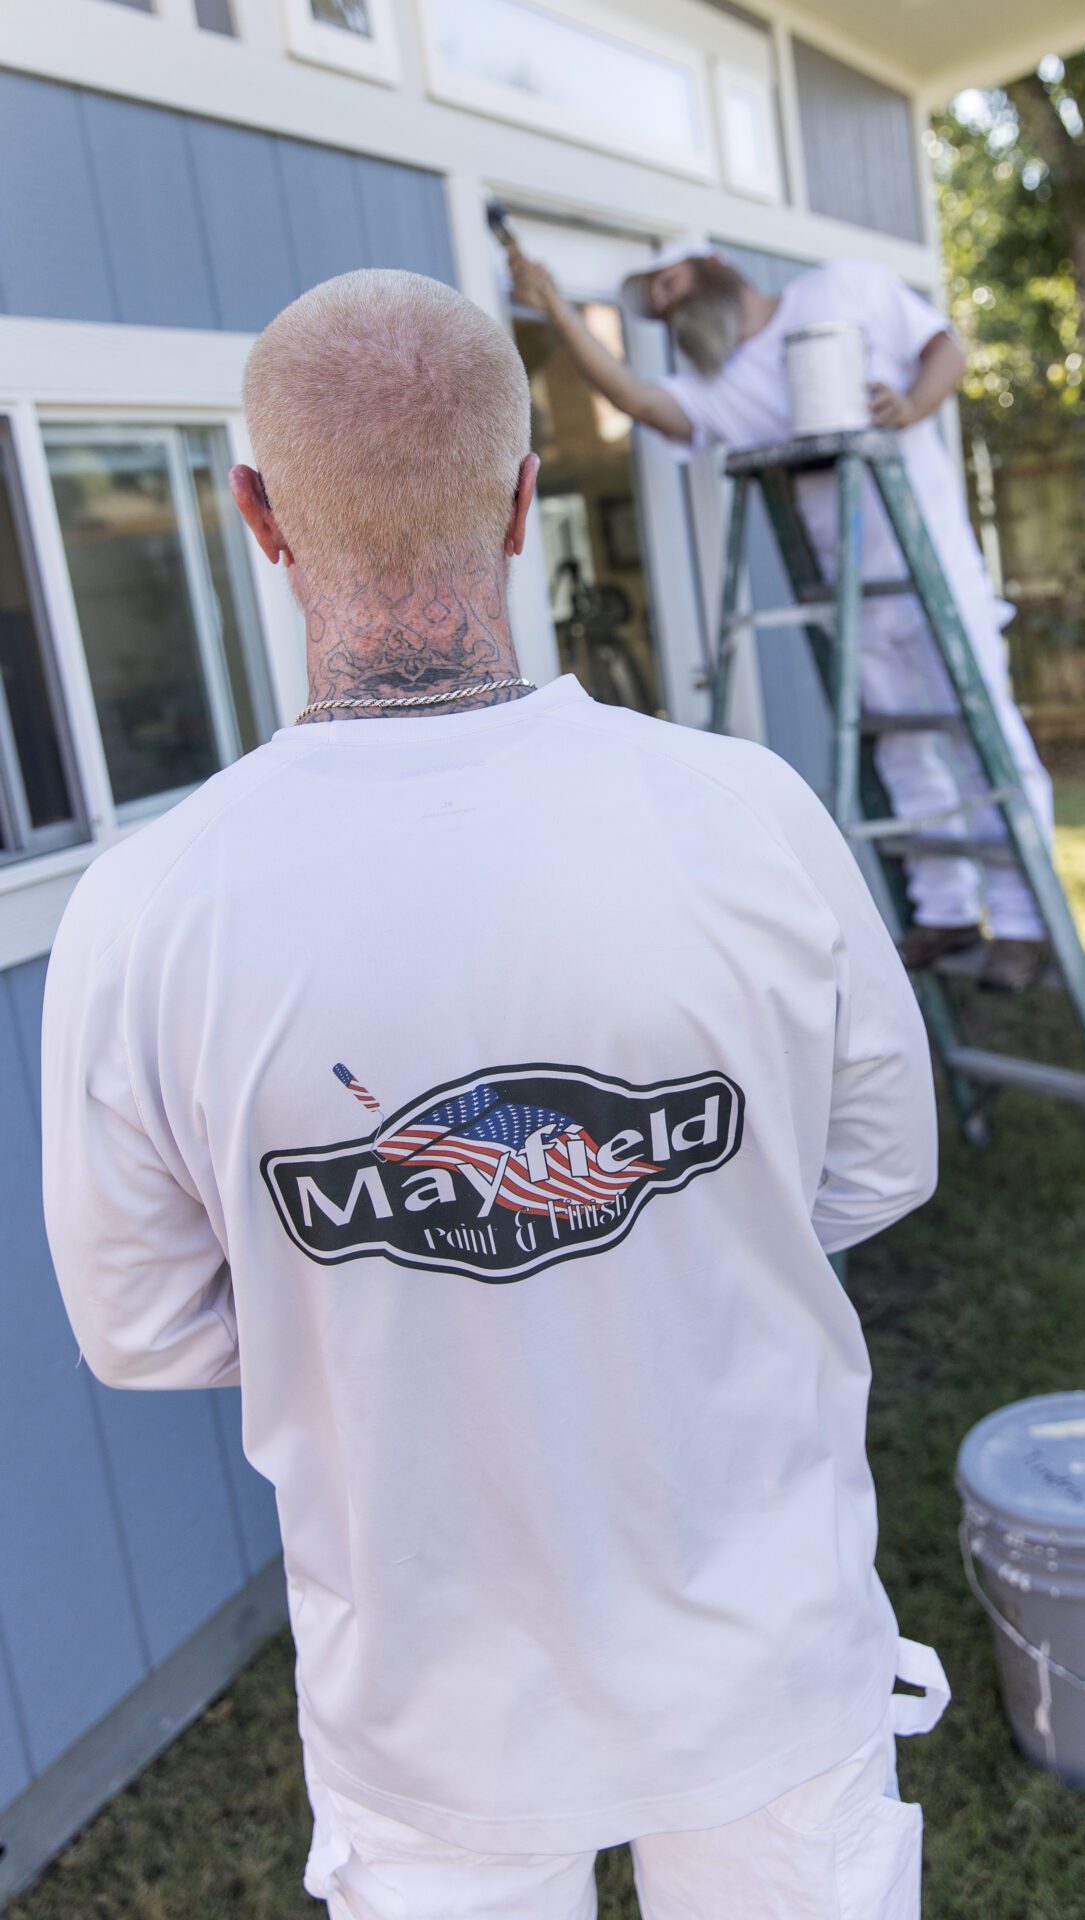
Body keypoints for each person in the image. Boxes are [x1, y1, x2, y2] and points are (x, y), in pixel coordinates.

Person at [42, 268, 948, 1920]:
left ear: (255, 515)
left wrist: (376, 1283)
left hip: (429, 1727)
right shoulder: (749, 818)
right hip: (763, 1672)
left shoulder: (144, 911)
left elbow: (142, 1327)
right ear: (528, 503)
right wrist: (666, 1239)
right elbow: (879, 1162)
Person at [507, 235, 1056, 994]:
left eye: (668, 286)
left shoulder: (843, 290)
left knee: (983, 739)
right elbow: (639, 401)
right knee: (899, 752)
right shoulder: (720, 389)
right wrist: (556, 312)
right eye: (655, 305)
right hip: (851, 590)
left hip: (931, 570)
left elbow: (946, 350)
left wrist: (911, 405)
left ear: (712, 269)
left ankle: (1027, 926)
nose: (667, 309)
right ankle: (948, 911)